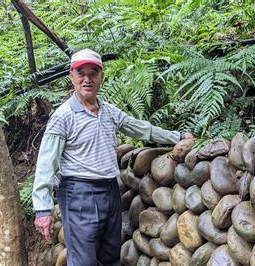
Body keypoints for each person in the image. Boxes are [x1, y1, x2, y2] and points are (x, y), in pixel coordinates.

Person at [32, 48, 193, 266]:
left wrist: (178, 137)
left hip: (109, 189)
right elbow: (45, 164)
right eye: (81, 73)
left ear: (101, 77)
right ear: (72, 76)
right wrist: (42, 208)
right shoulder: (63, 117)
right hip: (78, 193)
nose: (87, 79)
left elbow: (141, 129)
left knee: (110, 256)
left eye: (93, 73)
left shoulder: (108, 111)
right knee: (83, 261)